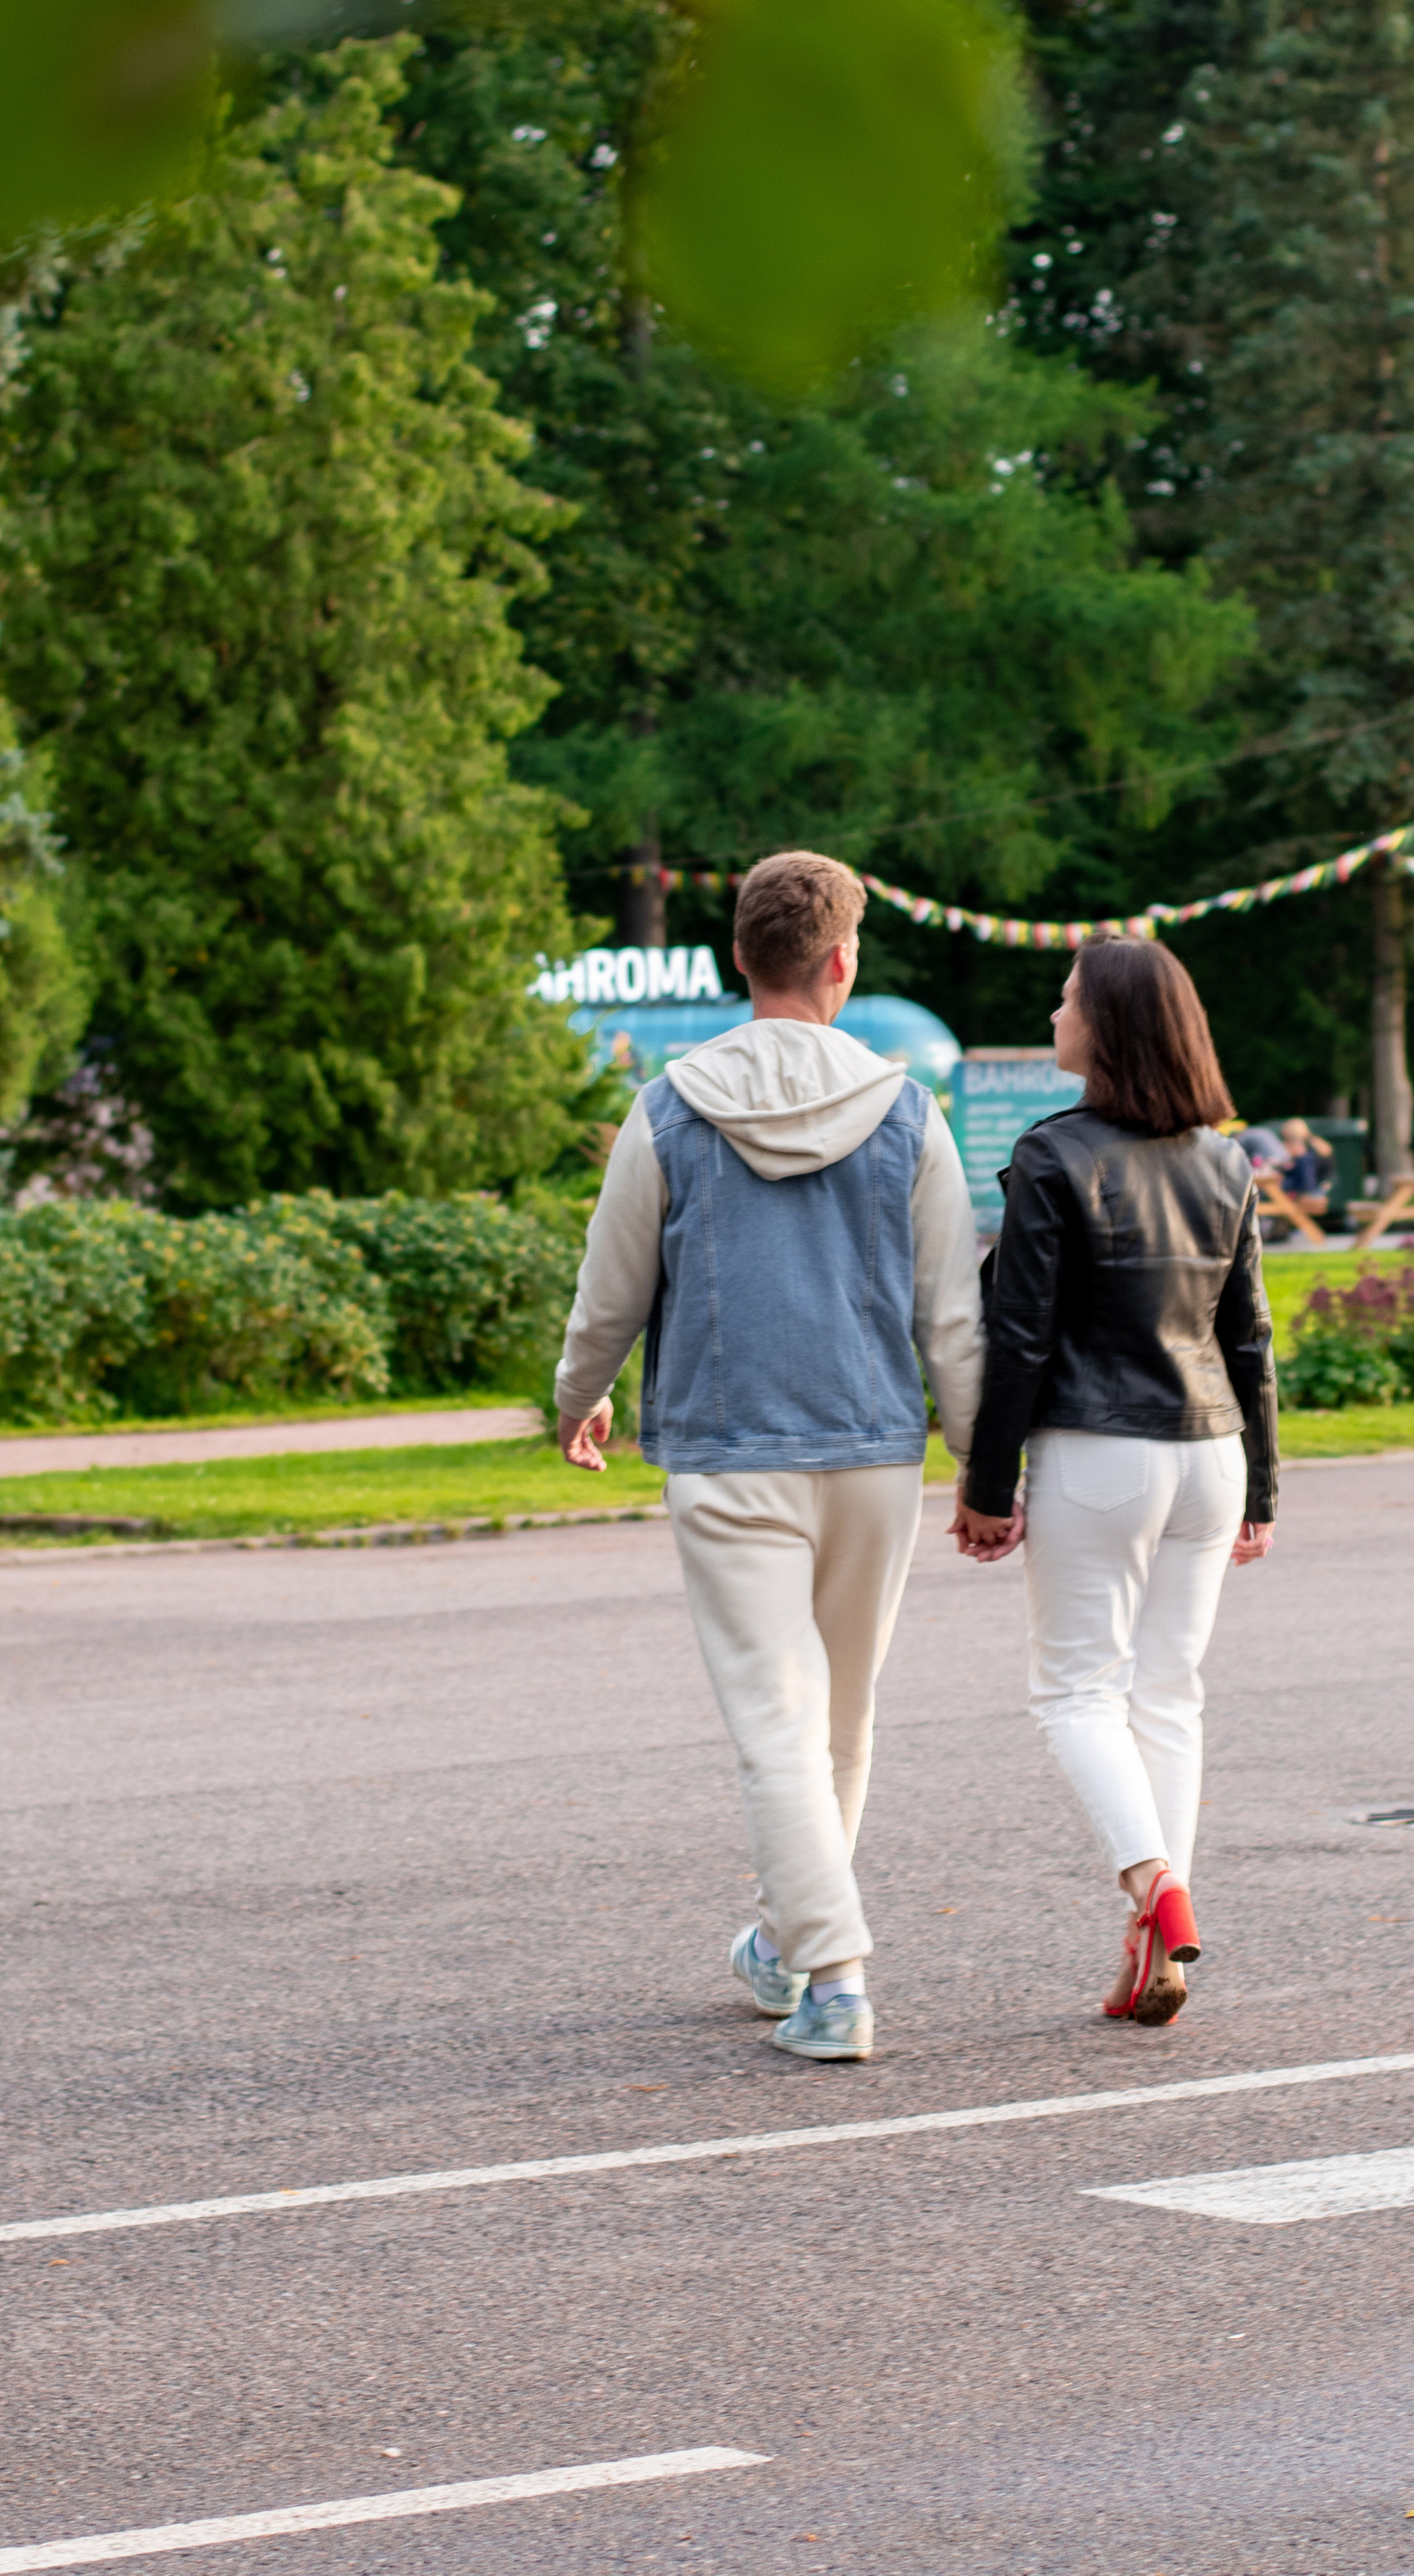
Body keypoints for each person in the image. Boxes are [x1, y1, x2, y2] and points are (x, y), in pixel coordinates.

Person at [552, 851, 984, 2063]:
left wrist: (579, 1397)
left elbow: (612, 1287)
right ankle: (792, 1943)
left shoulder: (669, 1106)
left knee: (773, 1725)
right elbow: (953, 1311)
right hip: (872, 1452)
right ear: (843, 961)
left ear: (741, 957)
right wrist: (981, 1463)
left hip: (729, 1448)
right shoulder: (908, 1109)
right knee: (841, 1718)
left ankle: (835, 1976)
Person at [952, 932, 1276, 2031]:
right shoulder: (1225, 1161)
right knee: (1168, 1695)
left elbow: (1020, 1340)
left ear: (1109, 1027)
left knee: (1077, 1691)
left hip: (1100, 1451)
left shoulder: (1054, 1157)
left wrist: (987, 1486)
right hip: (1212, 1455)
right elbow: (1251, 1341)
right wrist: (1265, 1492)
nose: (1054, 1014)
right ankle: (1157, 1947)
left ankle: (1153, 1883)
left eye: (1066, 999)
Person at [1275, 1116, 1330, 1216]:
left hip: (1313, 1194)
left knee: (1274, 1198)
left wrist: (1285, 1183)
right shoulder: (1315, 1148)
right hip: (1319, 1190)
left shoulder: (1304, 1157)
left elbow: (1307, 1184)